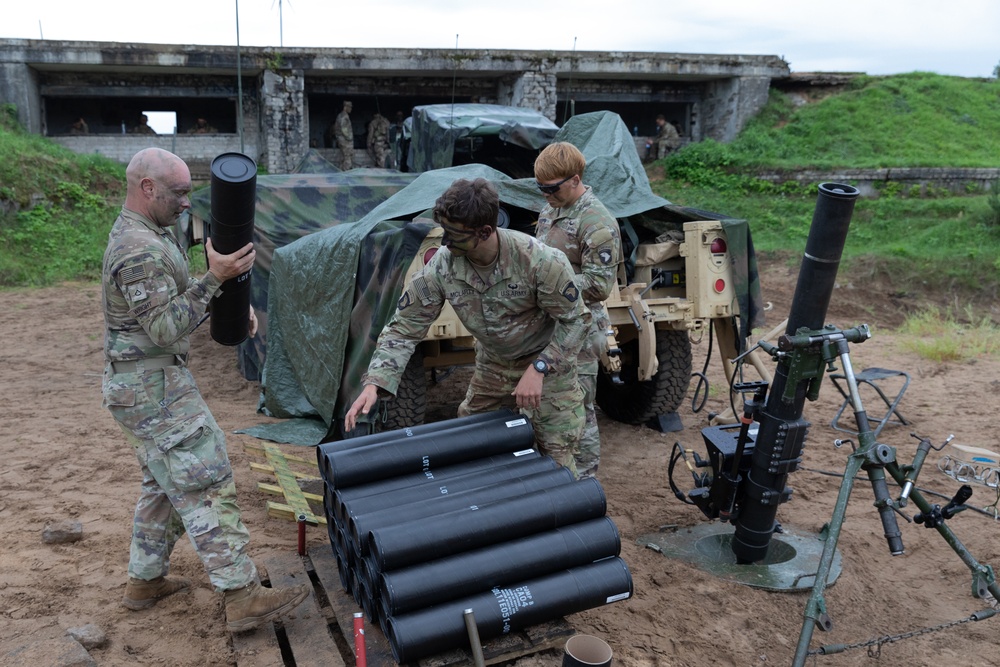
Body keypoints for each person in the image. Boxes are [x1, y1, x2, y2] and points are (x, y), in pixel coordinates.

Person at [101, 147, 309, 632]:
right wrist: (215, 279)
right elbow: (165, 327)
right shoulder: (138, 249)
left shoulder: (152, 232)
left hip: (146, 382)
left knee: (164, 482)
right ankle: (241, 595)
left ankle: (144, 582)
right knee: (206, 477)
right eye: (177, 193)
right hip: (151, 384)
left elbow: (172, 299)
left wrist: (224, 299)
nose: (187, 203)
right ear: (146, 188)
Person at [345, 178, 591, 478]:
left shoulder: (538, 261)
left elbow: (576, 319)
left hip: (548, 368)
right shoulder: (444, 265)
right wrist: (374, 384)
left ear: (484, 232)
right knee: (470, 444)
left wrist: (539, 368)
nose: (445, 242)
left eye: (454, 235)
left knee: (556, 455)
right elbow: (403, 328)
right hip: (493, 367)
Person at [533, 142, 623, 478]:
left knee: (578, 407)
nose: (545, 195)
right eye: (539, 187)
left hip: (581, 332)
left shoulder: (596, 221)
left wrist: (549, 282)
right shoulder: (550, 210)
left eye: (551, 188)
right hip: (548, 325)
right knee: (547, 408)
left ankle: (584, 482)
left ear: (574, 179)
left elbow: (600, 285)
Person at [334, 101, 354, 170]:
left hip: (342, 140)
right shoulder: (344, 116)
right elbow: (344, 129)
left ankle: (342, 171)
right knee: (347, 157)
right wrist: (349, 138)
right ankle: (347, 173)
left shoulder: (341, 115)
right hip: (345, 141)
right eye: (350, 107)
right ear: (345, 107)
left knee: (343, 158)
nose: (351, 109)